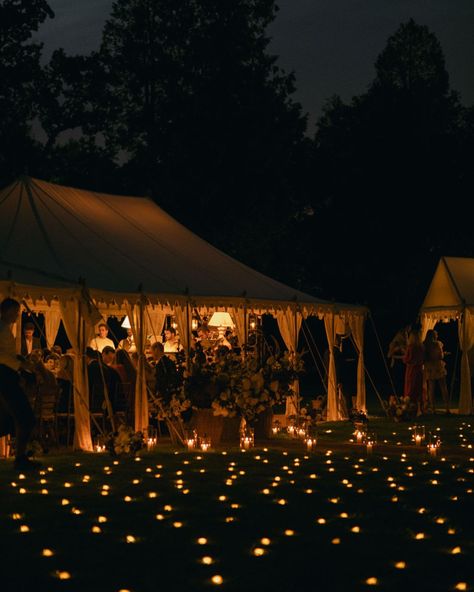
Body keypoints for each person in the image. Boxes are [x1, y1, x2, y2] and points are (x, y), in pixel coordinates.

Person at [0, 298, 39, 470]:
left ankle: (20, 457)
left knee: (18, 417)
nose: (17, 315)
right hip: (5, 378)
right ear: (7, 311)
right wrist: (20, 365)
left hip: (9, 376)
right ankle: (20, 458)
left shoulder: (6, 329)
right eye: (16, 311)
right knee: (24, 417)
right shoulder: (1, 328)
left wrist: (20, 361)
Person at [423, 329, 450, 414]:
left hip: (429, 367)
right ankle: (447, 407)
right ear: (433, 336)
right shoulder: (437, 344)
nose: (437, 336)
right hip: (438, 366)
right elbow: (440, 356)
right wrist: (442, 354)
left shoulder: (425, 345)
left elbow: (425, 357)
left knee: (431, 389)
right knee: (443, 387)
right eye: (436, 335)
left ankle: (433, 408)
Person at [403, 327, 424, 416]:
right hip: (419, 370)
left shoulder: (411, 347)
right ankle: (419, 409)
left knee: (410, 388)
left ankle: (409, 409)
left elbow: (407, 359)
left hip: (411, 370)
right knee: (418, 389)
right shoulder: (421, 347)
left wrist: (404, 357)